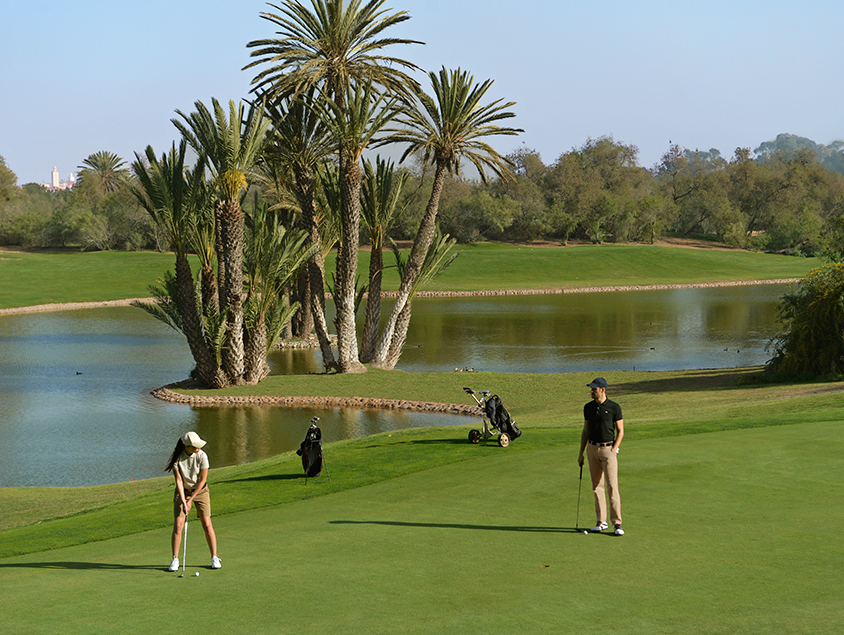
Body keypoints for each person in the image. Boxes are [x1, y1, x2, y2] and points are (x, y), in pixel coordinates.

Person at [165, 431, 221, 570]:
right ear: (187, 447)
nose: (198, 448)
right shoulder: (177, 458)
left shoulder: (202, 456)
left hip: (200, 491)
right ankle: (175, 559)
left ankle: (214, 557)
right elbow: (178, 480)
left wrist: (191, 500)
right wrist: (184, 501)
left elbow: (202, 481)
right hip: (182, 491)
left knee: (207, 524)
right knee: (178, 525)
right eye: (195, 446)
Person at [577, 377, 625, 536]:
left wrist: (615, 449)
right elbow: (585, 431)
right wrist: (581, 453)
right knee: (597, 487)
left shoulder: (614, 407)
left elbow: (621, 431)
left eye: (594, 389)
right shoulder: (588, 408)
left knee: (612, 487)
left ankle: (617, 524)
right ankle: (601, 522)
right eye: (591, 389)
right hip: (592, 448)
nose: (591, 391)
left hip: (608, 449)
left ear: (602, 390)